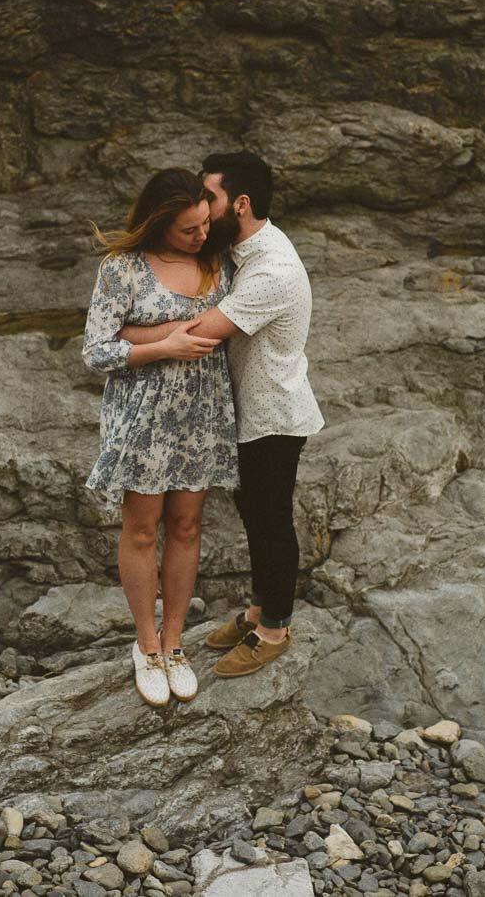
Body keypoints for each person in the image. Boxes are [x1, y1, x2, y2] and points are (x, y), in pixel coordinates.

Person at [117, 151, 323, 678]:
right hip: (248, 412)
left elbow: (200, 335)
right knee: (256, 516)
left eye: (210, 197)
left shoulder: (271, 270)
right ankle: (258, 610)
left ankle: (274, 629)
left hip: (273, 415)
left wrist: (124, 335)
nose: (203, 209)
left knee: (271, 522)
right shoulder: (244, 247)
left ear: (242, 203)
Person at [82, 168, 239, 707]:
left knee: (188, 525)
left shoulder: (218, 258)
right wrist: (159, 347)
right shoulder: (122, 269)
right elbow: (96, 350)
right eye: (187, 230)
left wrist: (142, 332)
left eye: (203, 224)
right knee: (143, 529)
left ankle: (175, 644)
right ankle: (145, 646)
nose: (200, 235)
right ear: (157, 223)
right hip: (143, 415)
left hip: (203, 412)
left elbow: (229, 324)